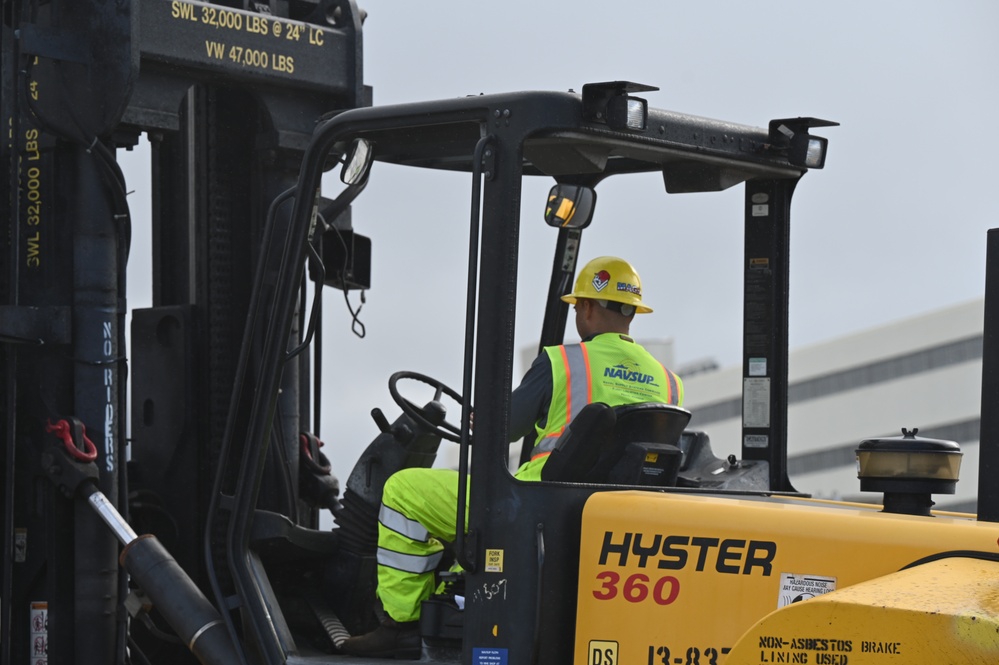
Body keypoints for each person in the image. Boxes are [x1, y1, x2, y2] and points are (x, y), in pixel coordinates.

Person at [341, 256, 684, 658]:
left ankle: (399, 624)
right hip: (609, 519)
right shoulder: (669, 383)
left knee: (403, 491)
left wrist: (479, 417)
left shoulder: (565, 362)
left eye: (577, 306)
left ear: (587, 307)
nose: (577, 313)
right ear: (632, 313)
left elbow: (499, 429)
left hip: (533, 505)